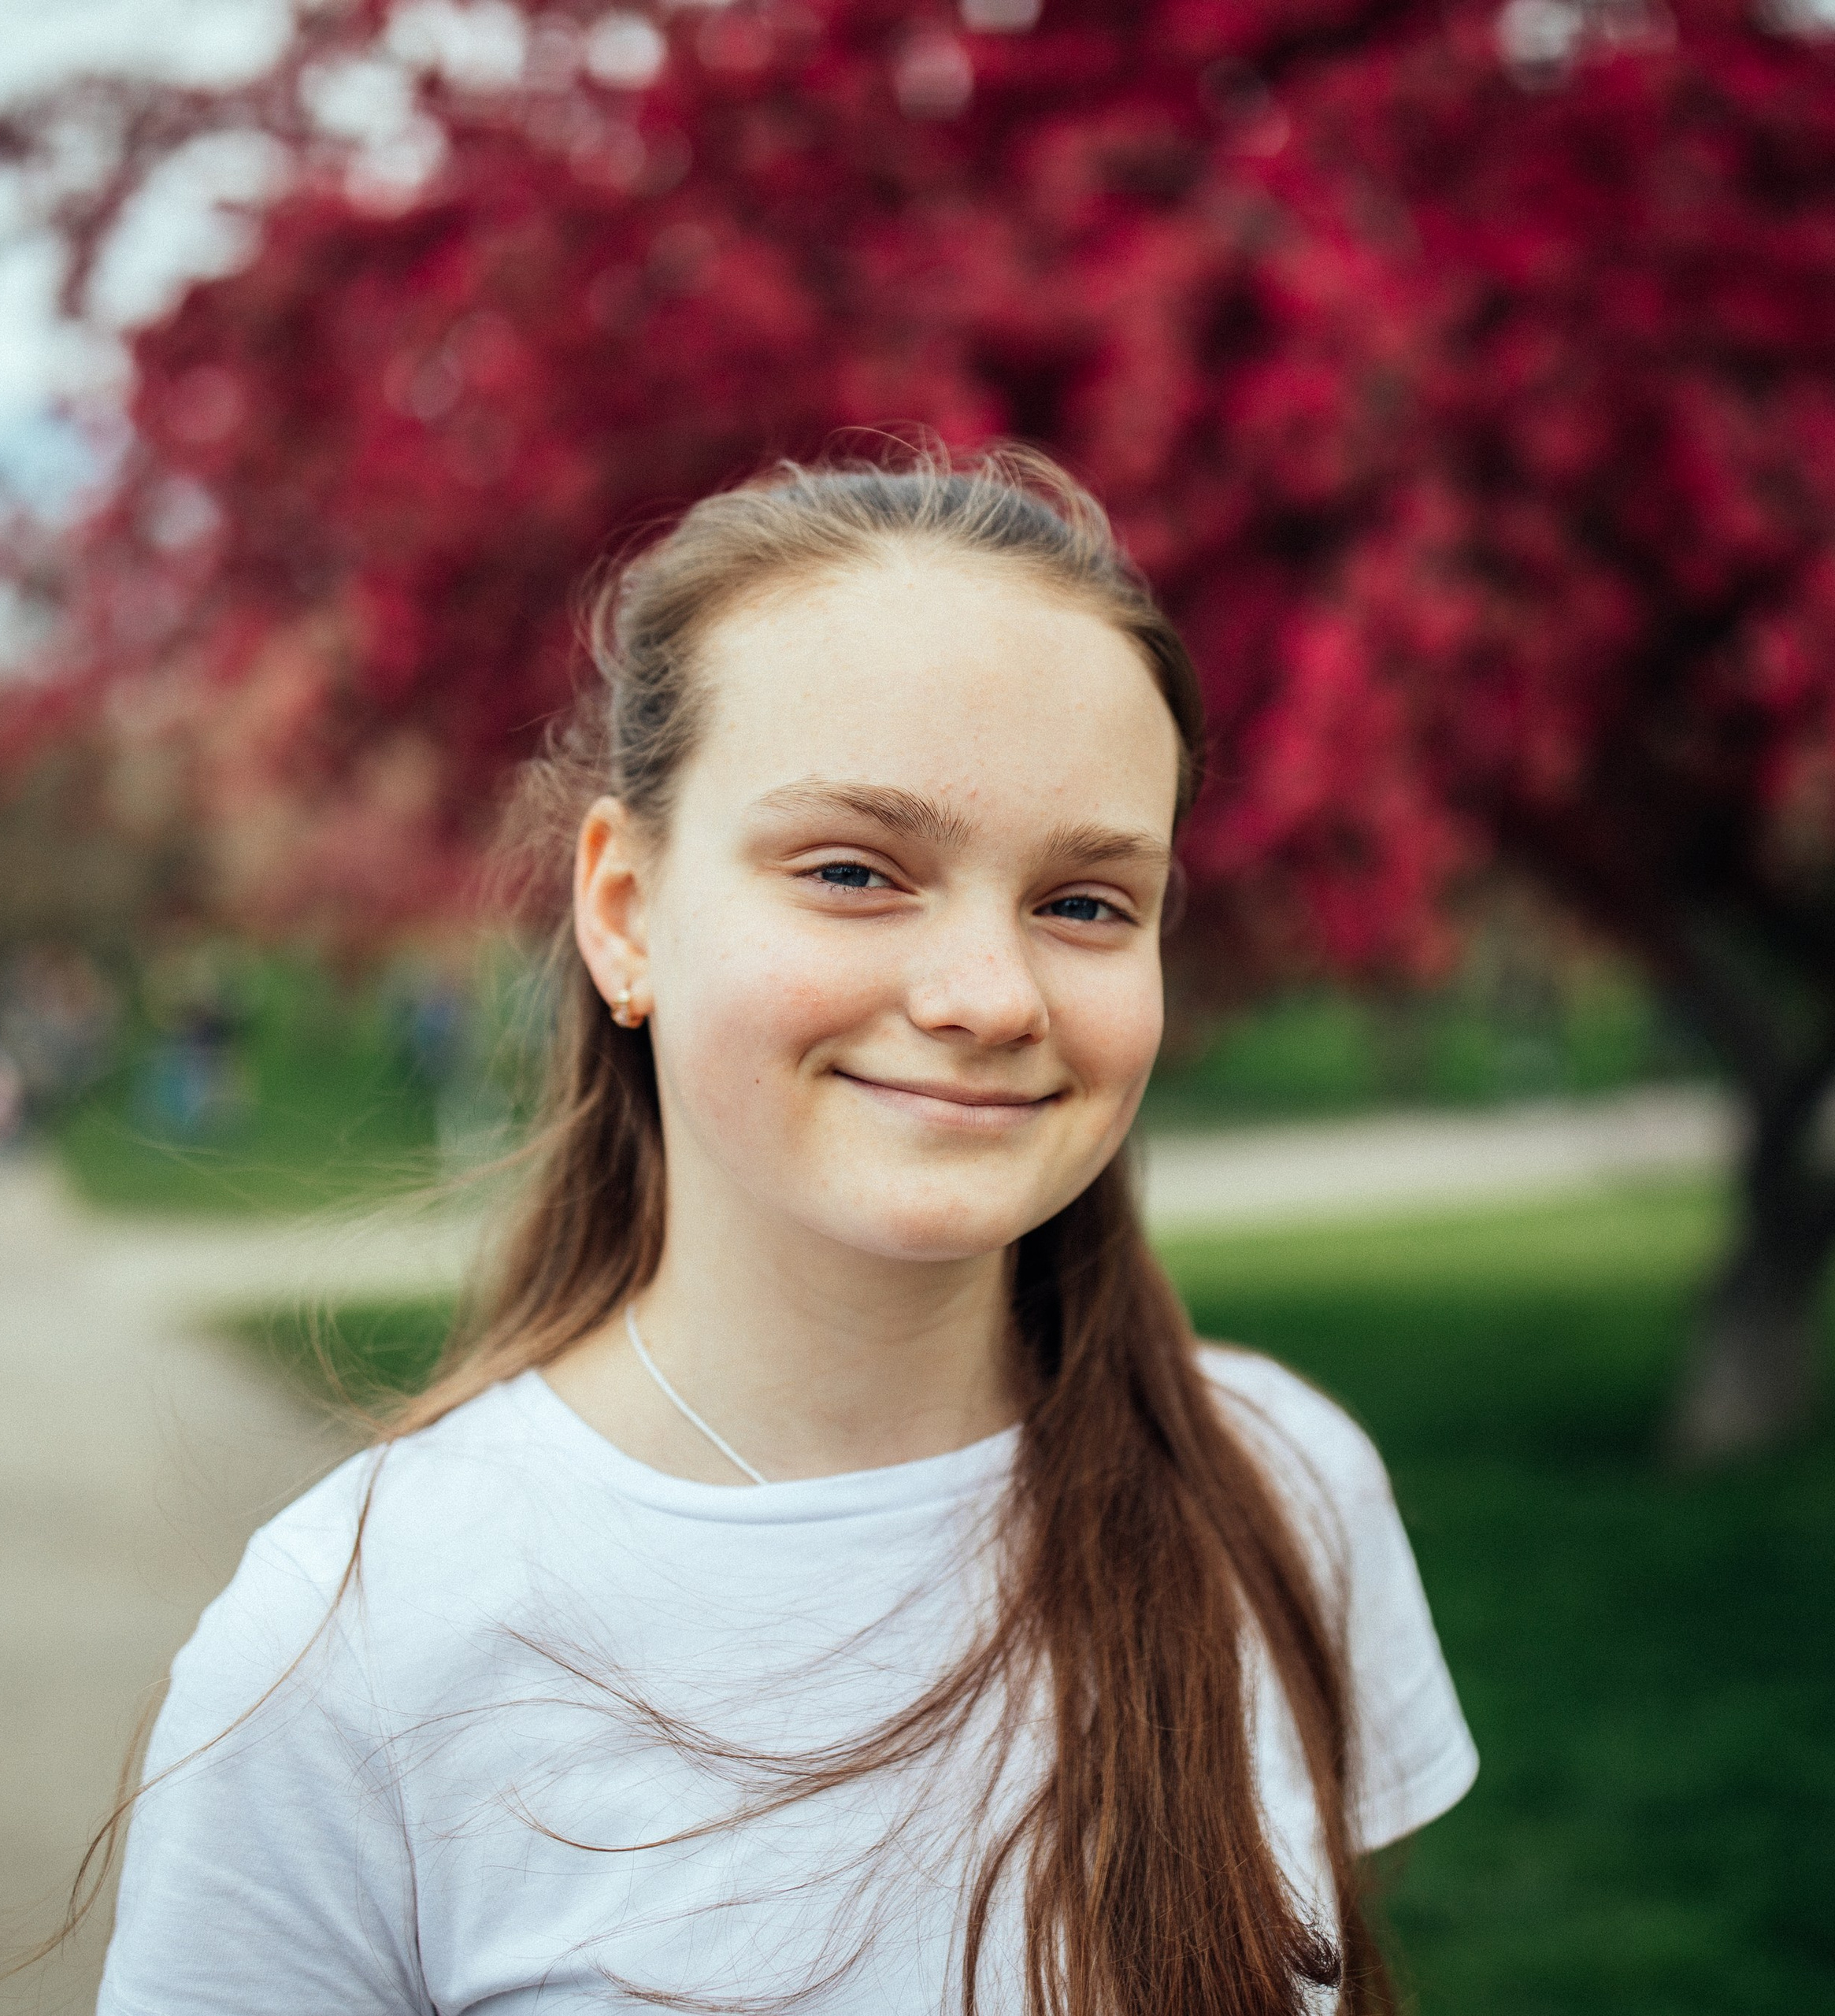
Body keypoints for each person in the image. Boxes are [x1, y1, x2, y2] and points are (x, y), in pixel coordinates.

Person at [95, 448, 1476, 2015]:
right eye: (851, 871)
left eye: (1086, 901)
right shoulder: (358, 1641)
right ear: (622, 908)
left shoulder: (1280, 1485)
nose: (985, 993)